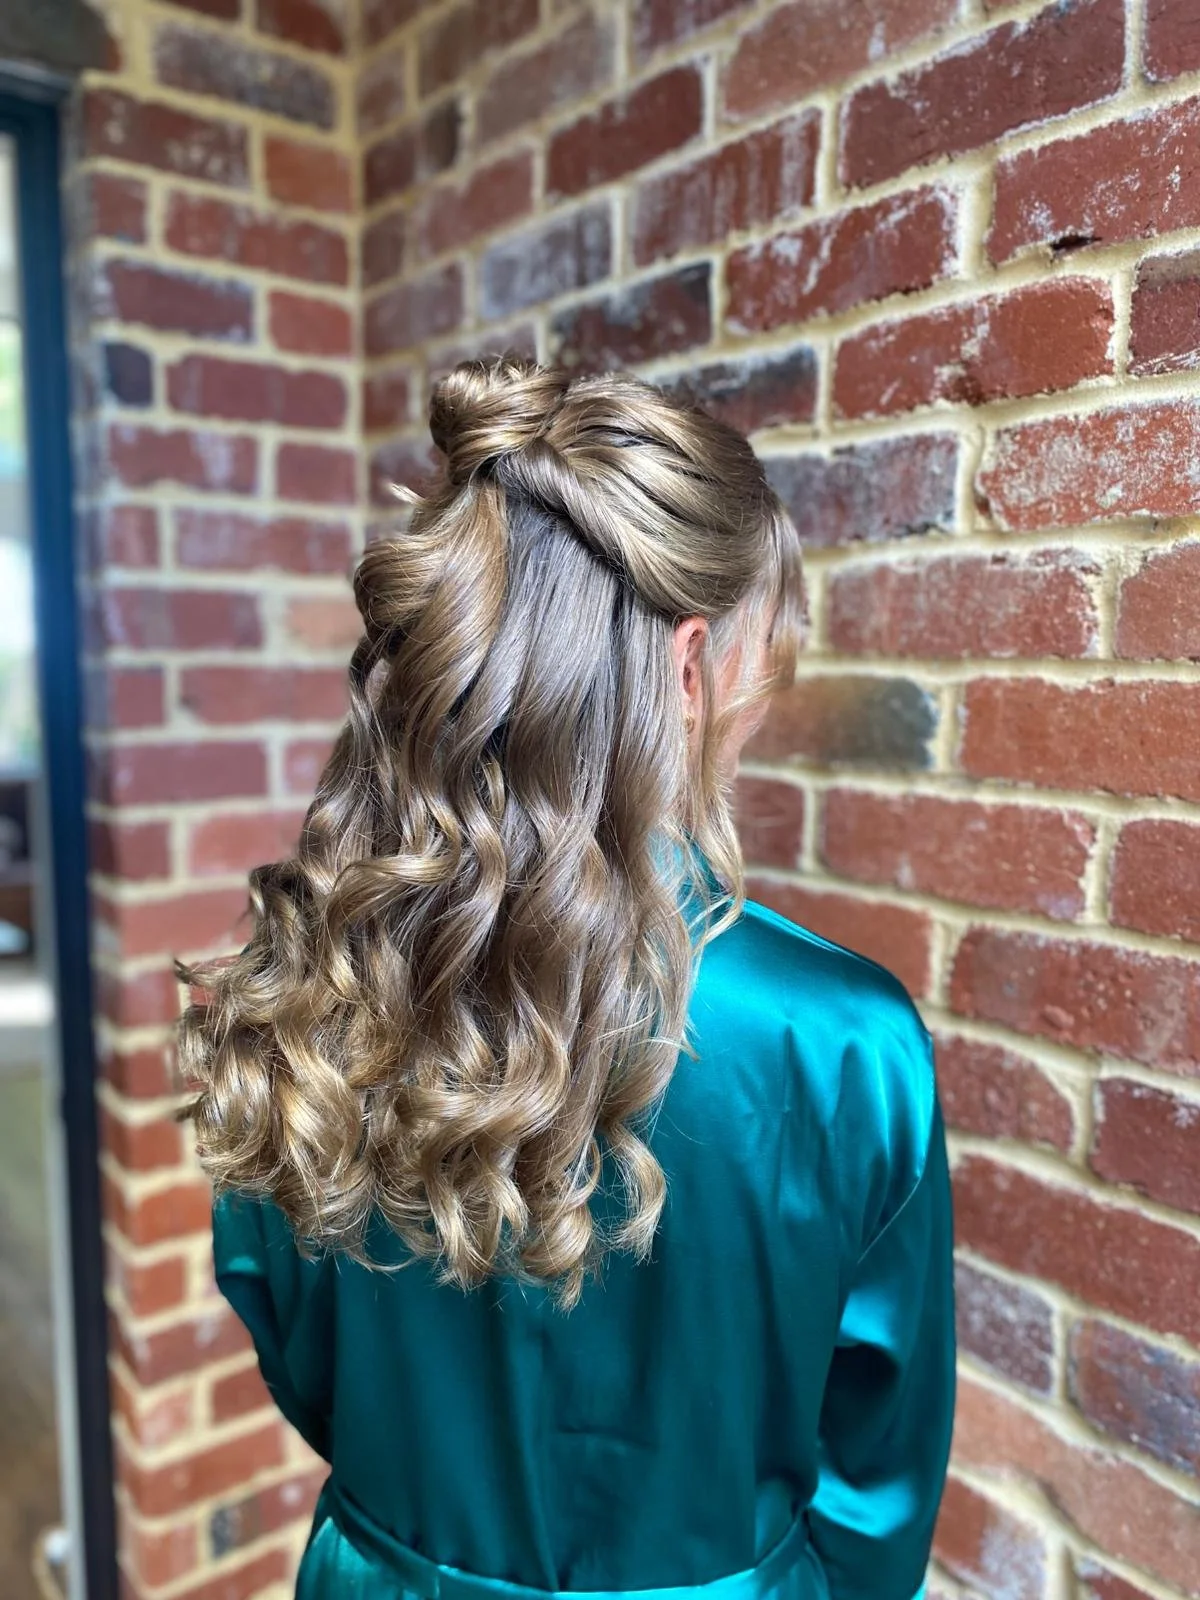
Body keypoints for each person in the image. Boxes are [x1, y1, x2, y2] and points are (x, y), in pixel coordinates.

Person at [178, 358, 955, 1600]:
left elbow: (299, 1348)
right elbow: (877, 1489)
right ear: (693, 667)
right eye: (768, 661)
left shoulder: (317, 966)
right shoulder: (845, 1043)